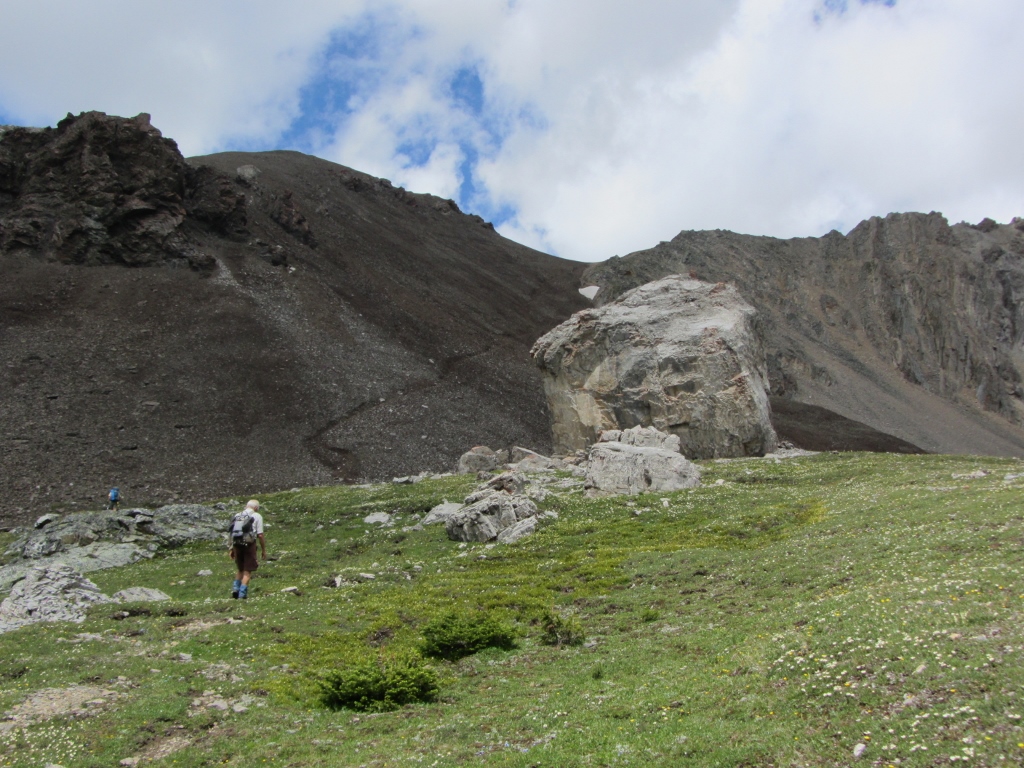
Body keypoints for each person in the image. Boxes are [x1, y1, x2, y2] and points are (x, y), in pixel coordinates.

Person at [229, 499, 266, 599]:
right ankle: (242, 594)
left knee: (240, 569)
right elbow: (260, 535)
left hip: (237, 544)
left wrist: (231, 549)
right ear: (256, 508)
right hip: (249, 544)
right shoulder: (257, 516)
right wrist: (263, 550)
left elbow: (232, 533)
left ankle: (235, 589)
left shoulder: (237, 515)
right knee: (247, 570)